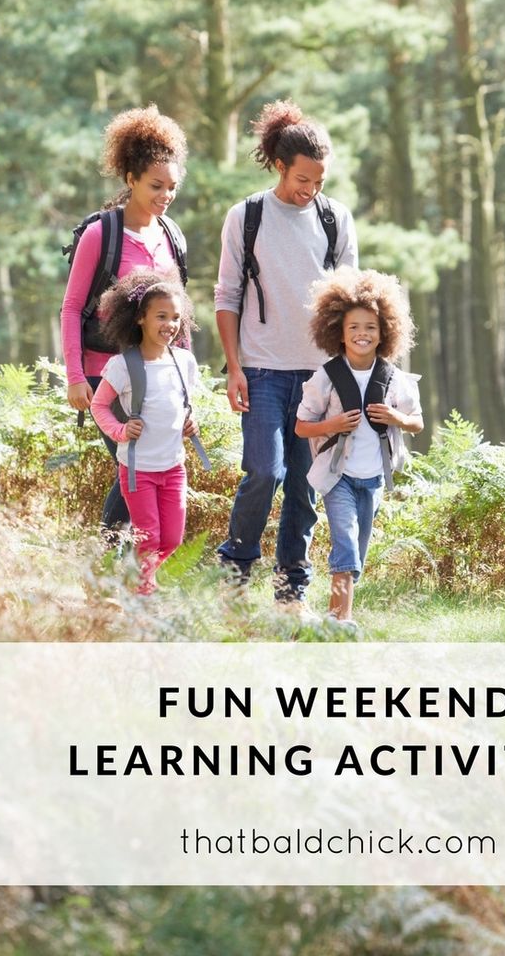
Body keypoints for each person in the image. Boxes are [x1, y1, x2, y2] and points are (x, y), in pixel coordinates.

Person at [214, 100, 358, 617]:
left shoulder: (335, 219)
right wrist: (233, 367)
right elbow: (226, 296)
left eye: (318, 181)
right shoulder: (247, 216)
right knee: (263, 470)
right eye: (302, 179)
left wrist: (348, 375)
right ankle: (235, 570)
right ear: (279, 164)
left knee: (305, 482)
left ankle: (291, 589)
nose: (310, 190)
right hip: (262, 369)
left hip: (320, 374)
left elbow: (351, 301)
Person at [61, 105, 189, 538]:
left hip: (157, 376)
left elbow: (178, 312)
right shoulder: (102, 234)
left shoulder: (173, 237)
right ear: (131, 179)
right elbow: (72, 306)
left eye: (172, 186)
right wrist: (76, 377)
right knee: (133, 462)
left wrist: (185, 378)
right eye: (156, 185)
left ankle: (119, 571)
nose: (165, 195)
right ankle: (112, 566)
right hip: (107, 375)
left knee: (145, 468)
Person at [295, 267, 423, 627]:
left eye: (370, 327)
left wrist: (396, 418)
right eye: (353, 328)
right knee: (346, 546)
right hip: (339, 477)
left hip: (375, 479)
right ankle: (339, 621)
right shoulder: (326, 377)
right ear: (338, 331)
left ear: (385, 333)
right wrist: (332, 425)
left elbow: (418, 422)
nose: (362, 334)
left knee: (357, 554)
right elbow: (302, 426)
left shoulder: (395, 379)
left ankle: (336, 614)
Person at [90, 268, 200, 594]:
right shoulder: (124, 366)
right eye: (161, 316)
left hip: (173, 467)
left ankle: (134, 575)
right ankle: (143, 591)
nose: (170, 324)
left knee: (173, 538)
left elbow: (183, 404)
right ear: (140, 318)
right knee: (149, 535)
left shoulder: (184, 362)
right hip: (137, 470)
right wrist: (120, 430)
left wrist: (190, 421)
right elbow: (99, 406)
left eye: (176, 317)